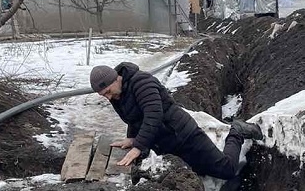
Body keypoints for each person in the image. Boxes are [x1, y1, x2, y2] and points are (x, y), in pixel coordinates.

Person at [89, 63, 263, 179]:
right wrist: (132, 138)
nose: (108, 97)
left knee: (226, 170)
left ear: (116, 78)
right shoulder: (117, 95)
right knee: (195, 173)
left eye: (108, 91)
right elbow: (134, 118)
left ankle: (237, 132)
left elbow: (153, 114)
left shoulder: (141, 82)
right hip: (166, 142)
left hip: (185, 135)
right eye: (103, 95)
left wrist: (138, 146)